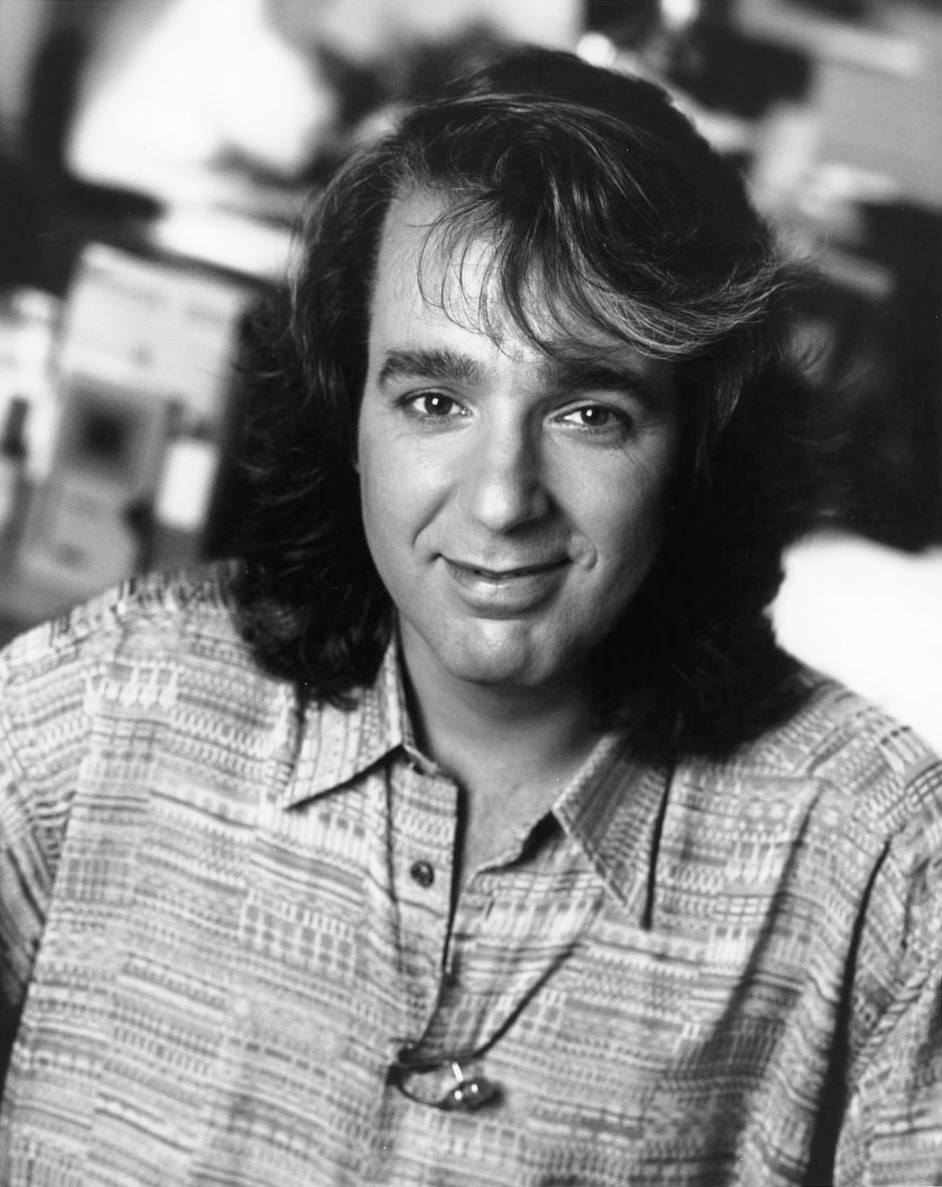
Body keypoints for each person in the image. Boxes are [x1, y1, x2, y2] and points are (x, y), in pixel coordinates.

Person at [1, 45, 940, 1187]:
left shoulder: (881, 865)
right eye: (435, 399)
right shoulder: (104, 705)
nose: (501, 500)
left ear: (703, 443)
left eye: (590, 412)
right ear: (349, 415)